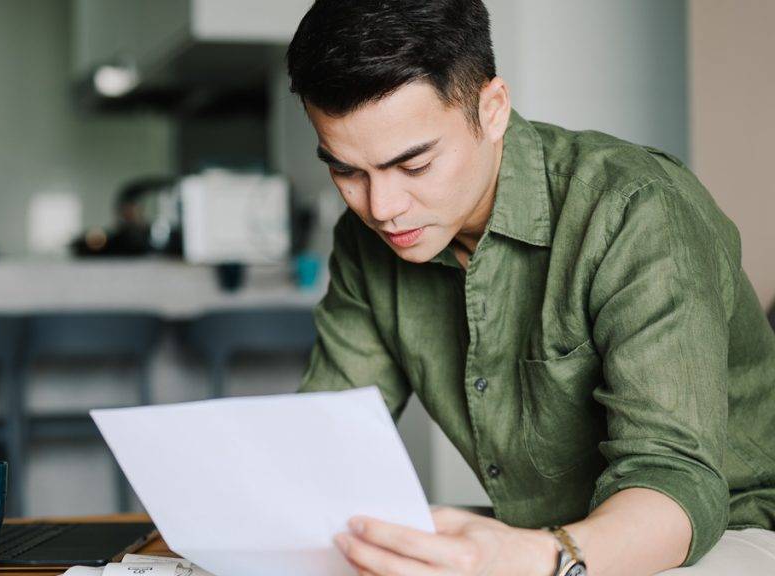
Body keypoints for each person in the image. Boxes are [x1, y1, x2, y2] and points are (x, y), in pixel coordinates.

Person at [287, 1, 775, 575]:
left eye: (414, 166)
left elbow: (675, 479)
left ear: (492, 109)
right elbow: (327, 440)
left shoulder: (636, 210)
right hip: (542, 546)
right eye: (346, 171)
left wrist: (539, 557)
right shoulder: (364, 239)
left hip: (725, 535)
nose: (382, 208)